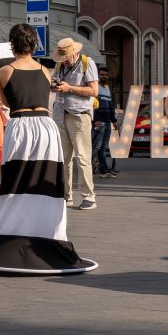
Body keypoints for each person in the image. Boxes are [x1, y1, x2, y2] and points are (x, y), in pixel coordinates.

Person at [0, 24, 97, 274]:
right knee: (46, 183)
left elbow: (3, 100)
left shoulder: (4, 71)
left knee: (15, 181)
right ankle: (46, 235)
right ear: (34, 45)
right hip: (46, 127)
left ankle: (12, 234)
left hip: (21, 125)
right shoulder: (46, 71)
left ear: (12, 45)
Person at [52, 38, 99, 210]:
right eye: (61, 57)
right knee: (64, 158)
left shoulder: (87, 63)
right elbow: (54, 83)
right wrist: (53, 86)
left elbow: (94, 91)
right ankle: (66, 195)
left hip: (79, 115)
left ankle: (89, 197)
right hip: (60, 114)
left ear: (74, 53)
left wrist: (69, 88)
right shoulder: (59, 66)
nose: (63, 61)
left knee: (82, 157)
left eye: (66, 57)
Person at [92, 66, 119, 178]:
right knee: (97, 147)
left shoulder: (107, 89)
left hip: (107, 122)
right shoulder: (95, 88)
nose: (104, 76)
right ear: (98, 76)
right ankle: (97, 168)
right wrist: (94, 121)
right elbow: (91, 106)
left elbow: (111, 107)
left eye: (105, 75)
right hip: (99, 122)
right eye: (102, 74)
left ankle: (104, 169)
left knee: (103, 147)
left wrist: (114, 121)